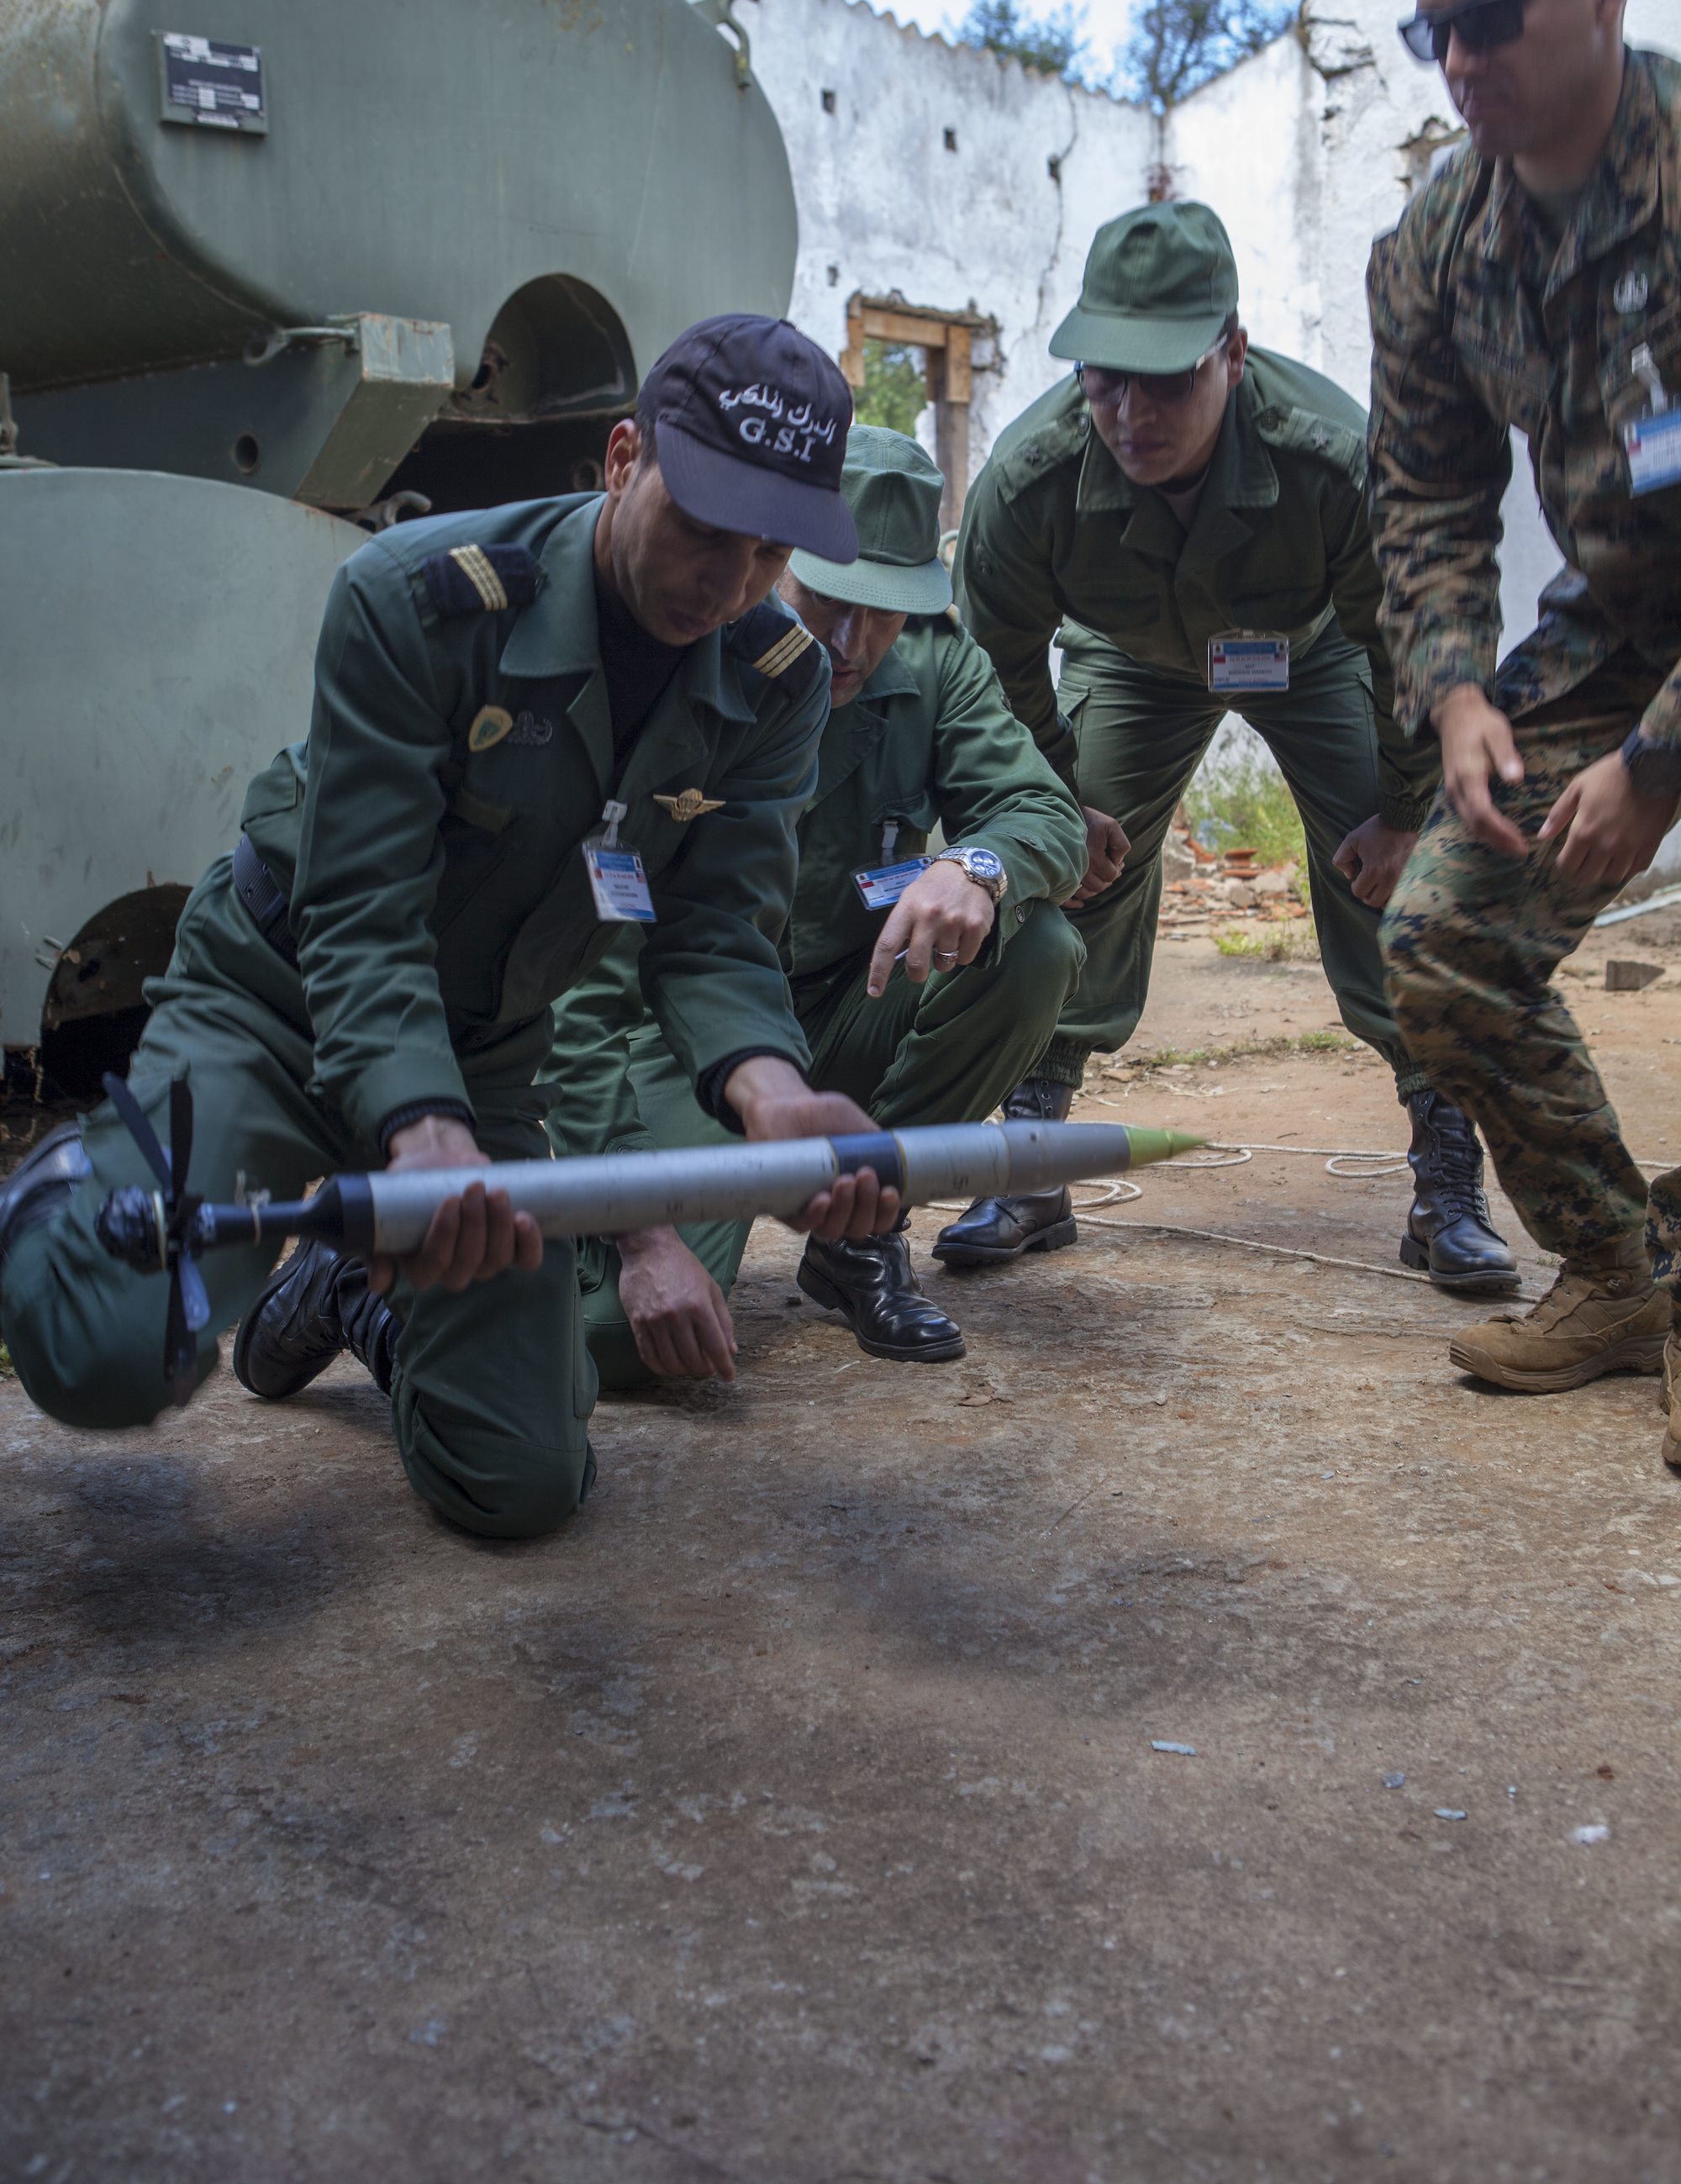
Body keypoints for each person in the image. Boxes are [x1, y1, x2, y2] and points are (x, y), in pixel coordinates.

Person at [0, 315, 911, 1540]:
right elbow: (362, 913)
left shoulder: (774, 683)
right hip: (280, 1002)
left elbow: (712, 933)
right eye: (704, 527)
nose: (730, 581)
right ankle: (62, 1203)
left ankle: (348, 1294)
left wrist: (774, 1100)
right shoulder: (420, 599)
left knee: (525, 1484)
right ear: (622, 458)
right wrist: (416, 1137)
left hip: (483, 1058)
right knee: (105, 1351)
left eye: (769, 550)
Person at [253, 424, 1088, 1383]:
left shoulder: (938, 668)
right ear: (772, 557)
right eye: (826, 599)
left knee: (1035, 950)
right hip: (668, 1036)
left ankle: (859, 1232)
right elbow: (578, 997)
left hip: (825, 1014)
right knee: (622, 1343)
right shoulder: (669, 657)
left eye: (885, 612)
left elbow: (1043, 816)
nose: (853, 641)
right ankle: (355, 1275)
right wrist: (645, 1236)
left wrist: (973, 868)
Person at [944, 200, 1515, 1294]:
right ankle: (1029, 1159)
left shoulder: (1335, 459)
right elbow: (998, 675)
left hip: (1310, 649)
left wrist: (1403, 811)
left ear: (1234, 354)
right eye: (1105, 377)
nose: (1129, 411)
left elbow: (1399, 646)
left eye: (1167, 379)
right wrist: (1057, 804)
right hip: (1130, 657)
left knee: (1396, 875)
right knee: (1066, 873)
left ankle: (1447, 1175)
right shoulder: (1028, 480)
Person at [1369, 0, 1681, 1459]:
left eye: (1488, 20)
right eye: (1433, 34)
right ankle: (1626, 1274)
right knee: (1441, 939)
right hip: (1625, 625)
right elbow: (1423, 488)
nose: (1459, 63)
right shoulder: (1441, 243)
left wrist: (1653, 767)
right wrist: (1460, 692)